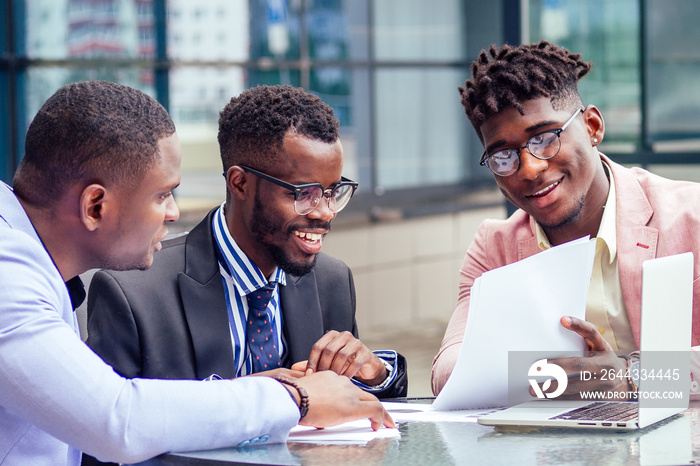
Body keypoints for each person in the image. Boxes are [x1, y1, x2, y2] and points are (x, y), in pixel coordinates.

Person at [0, 81, 393, 466]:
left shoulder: (26, 261)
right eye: (161, 195)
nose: (172, 213)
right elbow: (117, 421)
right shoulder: (9, 278)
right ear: (95, 206)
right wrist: (296, 399)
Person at [85, 84, 407, 398]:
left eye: (332, 192)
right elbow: (107, 436)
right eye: (303, 194)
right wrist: (250, 397)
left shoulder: (332, 281)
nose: (326, 212)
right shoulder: (133, 294)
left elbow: (360, 418)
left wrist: (376, 375)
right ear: (240, 184)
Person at [431, 41, 700, 398]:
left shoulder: (691, 216)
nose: (530, 169)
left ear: (592, 126)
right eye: (503, 156)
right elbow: (449, 374)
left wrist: (632, 375)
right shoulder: (494, 248)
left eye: (544, 138)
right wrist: (538, 376)